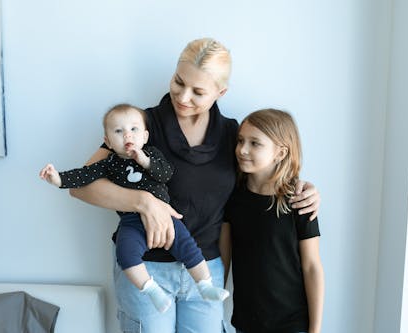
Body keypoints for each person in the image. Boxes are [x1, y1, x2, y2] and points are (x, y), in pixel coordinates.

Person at [67, 38, 321, 333]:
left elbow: (260, 179)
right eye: (178, 82)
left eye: (198, 92)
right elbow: (80, 186)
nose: (183, 96)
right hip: (146, 267)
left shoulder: (231, 134)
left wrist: (303, 189)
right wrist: (144, 203)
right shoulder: (140, 125)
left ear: (220, 92)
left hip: (205, 270)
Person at [39, 103, 229, 313]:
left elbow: (166, 174)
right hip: (132, 221)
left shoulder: (152, 154)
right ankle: (151, 289)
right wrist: (57, 179)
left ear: (145, 136)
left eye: (134, 129)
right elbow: (82, 177)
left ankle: (205, 285)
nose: (127, 135)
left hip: (166, 218)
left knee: (189, 247)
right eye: (118, 131)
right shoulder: (108, 163)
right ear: (108, 141)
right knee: (125, 254)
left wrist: (145, 160)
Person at [222, 109, 324, 333]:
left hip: (292, 324)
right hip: (246, 323)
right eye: (240, 141)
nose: (242, 150)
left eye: (255, 143)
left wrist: (315, 329)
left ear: (280, 153)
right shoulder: (234, 198)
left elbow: (312, 267)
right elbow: (224, 261)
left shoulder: (300, 201)